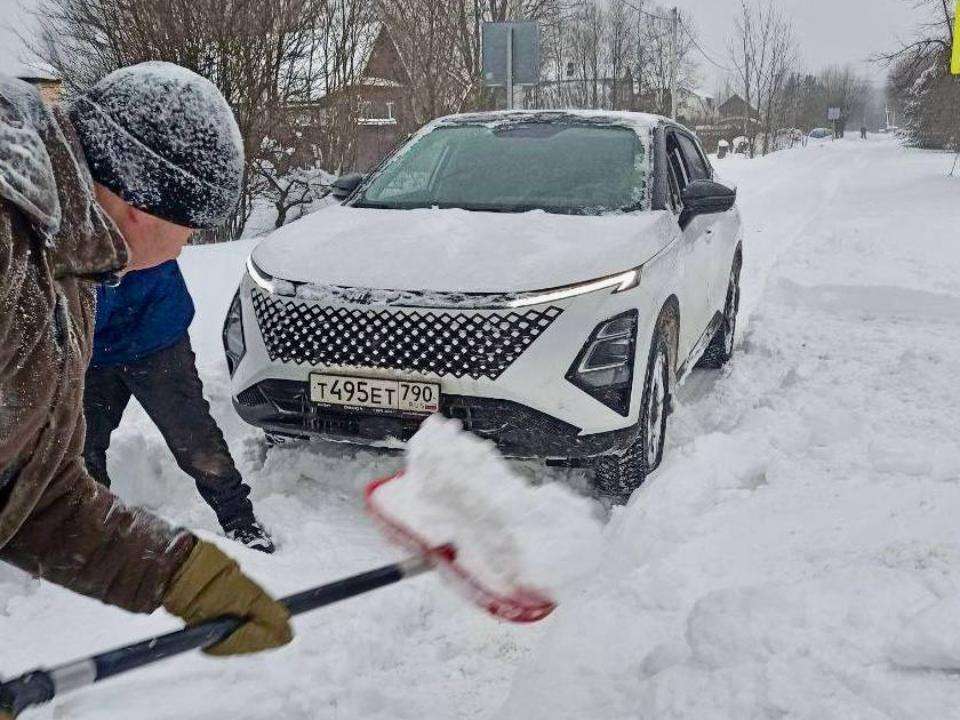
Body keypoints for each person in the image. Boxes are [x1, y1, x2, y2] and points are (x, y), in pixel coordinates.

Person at [0, 63, 292, 718]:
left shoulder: (63, 252)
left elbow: (32, 486)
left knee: (190, 439)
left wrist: (176, 574)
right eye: (191, 230)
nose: (190, 247)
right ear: (142, 208)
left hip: (154, 346)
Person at [83, 258, 275, 553]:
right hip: (91, 349)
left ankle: (239, 520)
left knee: (194, 439)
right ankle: (92, 530)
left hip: (154, 334)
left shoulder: (135, 214)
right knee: (79, 445)